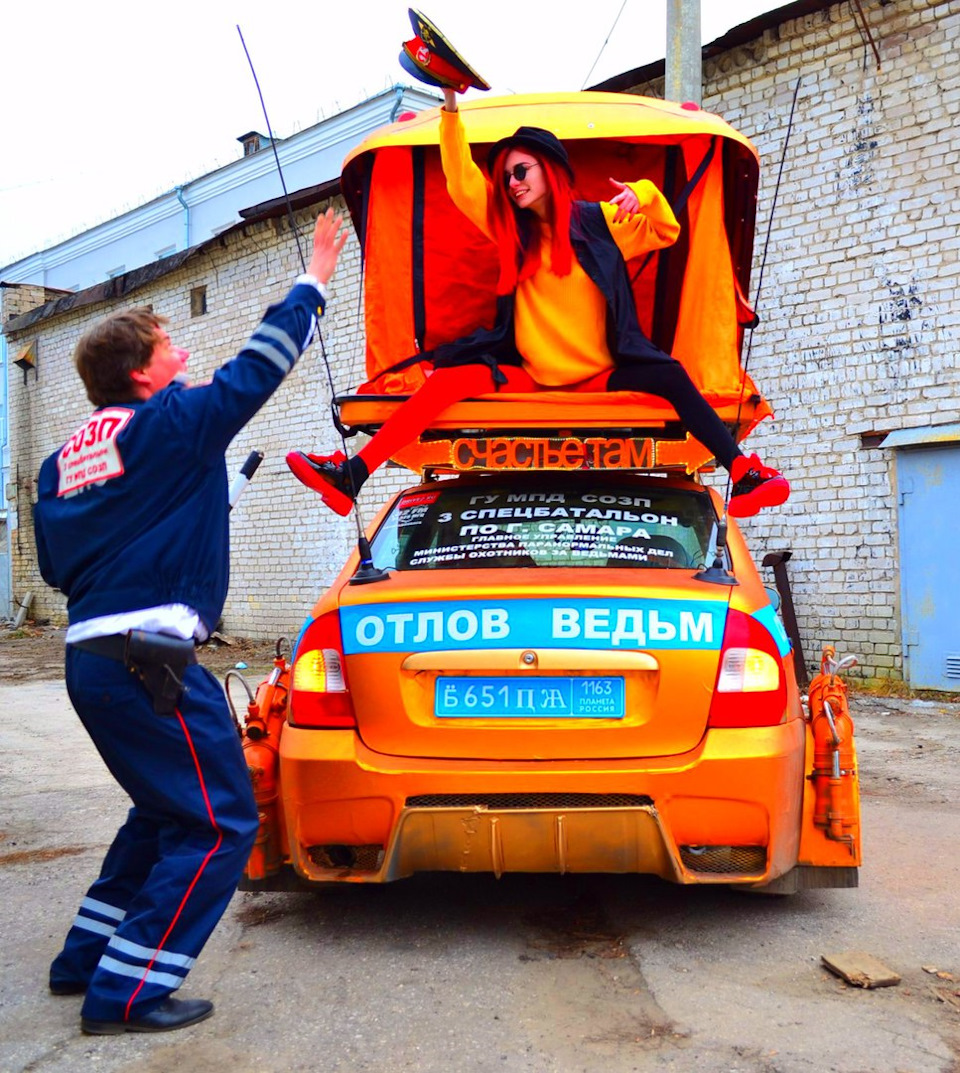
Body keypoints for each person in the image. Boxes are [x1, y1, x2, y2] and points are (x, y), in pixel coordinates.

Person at [32, 209, 348, 1035]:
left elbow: (65, 570)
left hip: (92, 661)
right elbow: (258, 369)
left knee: (163, 809)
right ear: (142, 374)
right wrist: (314, 275)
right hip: (154, 665)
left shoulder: (60, 461)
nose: (184, 357)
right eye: (170, 348)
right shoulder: (173, 422)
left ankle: (84, 961)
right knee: (218, 821)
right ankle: (129, 993)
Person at [287, 89, 788, 520]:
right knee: (448, 382)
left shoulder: (600, 222)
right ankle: (350, 475)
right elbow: (462, 183)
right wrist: (450, 105)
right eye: (506, 177)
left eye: (520, 171)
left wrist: (641, 192)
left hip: (604, 372)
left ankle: (743, 473)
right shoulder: (512, 232)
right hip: (528, 370)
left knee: (672, 376)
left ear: (549, 170)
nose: (512, 183)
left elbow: (666, 229)